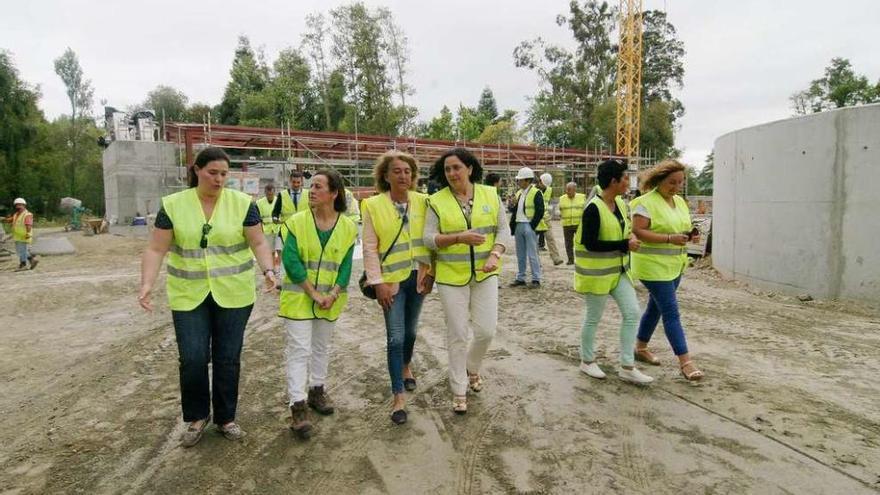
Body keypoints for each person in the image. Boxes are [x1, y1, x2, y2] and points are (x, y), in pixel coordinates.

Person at [138, 147, 276, 447]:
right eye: (213, 172)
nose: (219, 179)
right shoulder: (173, 205)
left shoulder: (243, 204)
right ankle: (197, 417)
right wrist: (147, 283)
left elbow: (259, 241)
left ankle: (226, 418)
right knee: (193, 357)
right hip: (189, 295)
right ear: (197, 170)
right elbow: (156, 249)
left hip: (234, 294)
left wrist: (268, 270)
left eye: (224, 174)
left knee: (227, 357)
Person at [425, 148, 510, 414]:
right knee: (458, 333)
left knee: (486, 331)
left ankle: (471, 367)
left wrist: (496, 253)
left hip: (485, 273)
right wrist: (458, 238)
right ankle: (459, 388)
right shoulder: (436, 201)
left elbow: (503, 229)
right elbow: (428, 238)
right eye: (448, 169)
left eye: (457, 168)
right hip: (451, 278)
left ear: (470, 169)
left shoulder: (490, 194)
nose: (452, 173)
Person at [279, 169, 357, 439]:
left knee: (322, 346)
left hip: (330, 299)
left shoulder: (347, 226)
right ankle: (298, 406)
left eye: (318, 187)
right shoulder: (297, 222)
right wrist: (314, 294)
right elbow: (290, 261)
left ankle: (317, 391)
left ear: (334, 193)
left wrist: (334, 292)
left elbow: (346, 265)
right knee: (299, 350)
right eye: (311, 186)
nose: (311, 190)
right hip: (300, 298)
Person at [362, 150, 433, 425]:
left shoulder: (425, 202)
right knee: (395, 337)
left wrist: (431, 273)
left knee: (411, 331)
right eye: (397, 171)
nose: (403, 175)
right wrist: (377, 283)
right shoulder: (372, 205)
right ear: (385, 176)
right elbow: (369, 248)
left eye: (407, 171)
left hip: (418, 277)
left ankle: (406, 366)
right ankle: (398, 397)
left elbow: (430, 240)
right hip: (390, 281)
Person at [575, 159, 653, 385]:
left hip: (618, 272)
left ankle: (627, 366)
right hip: (596, 275)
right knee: (593, 318)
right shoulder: (593, 208)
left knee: (632, 313)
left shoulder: (620, 204)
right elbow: (590, 244)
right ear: (613, 181)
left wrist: (630, 237)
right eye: (625, 178)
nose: (628, 181)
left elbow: (624, 230)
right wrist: (623, 245)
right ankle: (587, 361)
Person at [630, 159, 704, 381]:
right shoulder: (644, 202)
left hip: (674, 265)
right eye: (672, 182)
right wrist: (670, 238)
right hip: (652, 267)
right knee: (671, 312)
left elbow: (679, 226)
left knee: (656, 308)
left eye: (680, 182)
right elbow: (638, 231)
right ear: (659, 180)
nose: (676, 187)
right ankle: (686, 362)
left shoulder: (679, 202)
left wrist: (690, 235)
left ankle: (640, 347)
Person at [272, 170, 311, 281]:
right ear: (290, 181)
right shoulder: (282, 195)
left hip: (303, 230)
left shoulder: (308, 194)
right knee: (281, 253)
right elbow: (275, 211)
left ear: (302, 182)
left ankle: (302, 276)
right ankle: (279, 277)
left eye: (298, 182)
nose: (296, 185)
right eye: (294, 182)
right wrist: (275, 218)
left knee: (301, 255)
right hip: (285, 230)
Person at [509, 167, 544, 287]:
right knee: (520, 253)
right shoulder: (519, 193)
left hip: (529, 225)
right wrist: (511, 205)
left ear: (527, 180)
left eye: (520, 180)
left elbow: (540, 210)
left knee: (532, 253)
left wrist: (532, 226)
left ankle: (536, 278)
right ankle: (521, 277)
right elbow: (514, 210)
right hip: (519, 224)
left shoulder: (536, 192)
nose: (518, 182)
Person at [535, 173, 563, 265]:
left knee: (550, 238)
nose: (543, 186)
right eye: (542, 184)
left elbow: (549, 202)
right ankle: (536, 261)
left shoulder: (549, 189)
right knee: (533, 241)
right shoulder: (533, 190)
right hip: (535, 218)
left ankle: (556, 257)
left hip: (545, 218)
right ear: (540, 181)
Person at [4, 198, 38, 270]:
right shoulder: (16, 214)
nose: (18, 206)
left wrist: (28, 233)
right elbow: (11, 220)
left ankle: (23, 265)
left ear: (24, 205)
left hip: (24, 235)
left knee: (22, 251)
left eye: (20, 205)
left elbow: (28, 225)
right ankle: (32, 260)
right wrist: (4, 219)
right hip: (18, 236)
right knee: (20, 251)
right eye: (16, 205)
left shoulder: (27, 214)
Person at [559, 182, 587, 265]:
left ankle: (582, 259)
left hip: (578, 224)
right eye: (566, 189)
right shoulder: (562, 198)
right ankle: (570, 260)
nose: (567, 191)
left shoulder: (582, 197)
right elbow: (559, 210)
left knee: (581, 243)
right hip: (567, 224)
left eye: (569, 190)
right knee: (568, 244)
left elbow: (586, 210)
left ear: (574, 190)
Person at [255, 183, 279, 251]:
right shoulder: (259, 203)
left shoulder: (279, 201)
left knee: (279, 250)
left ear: (274, 192)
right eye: (268, 194)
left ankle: (276, 261)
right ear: (265, 193)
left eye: (271, 194)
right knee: (269, 251)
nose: (270, 196)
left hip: (278, 230)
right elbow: (257, 219)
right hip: (266, 231)